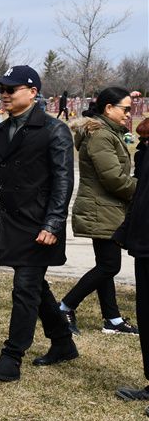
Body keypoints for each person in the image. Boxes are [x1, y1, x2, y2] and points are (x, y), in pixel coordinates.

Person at [0, 65, 76, 382]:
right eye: (2, 90)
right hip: (12, 222)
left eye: (11, 89)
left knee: (25, 287)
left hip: (40, 225)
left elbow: (64, 182)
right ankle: (62, 342)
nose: (4, 95)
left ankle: (11, 358)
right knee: (34, 286)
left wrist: (53, 223)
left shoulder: (54, 130)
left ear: (33, 92)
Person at [59, 88, 138, 336]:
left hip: (106, 209)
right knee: (109, 266)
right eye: (125, 109)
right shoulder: (101, 136)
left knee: (106, 265)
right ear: (108, 108)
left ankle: (112, 319)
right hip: (101, 210)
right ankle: (64, 306)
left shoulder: (107, 133)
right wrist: (143, 189)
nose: (129, 114)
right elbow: (114, 179)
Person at [113, 117, 149, 415]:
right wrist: (126, 231)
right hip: (144, 244)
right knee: (146, 316)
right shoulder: (145, 153)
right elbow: (140, 197)